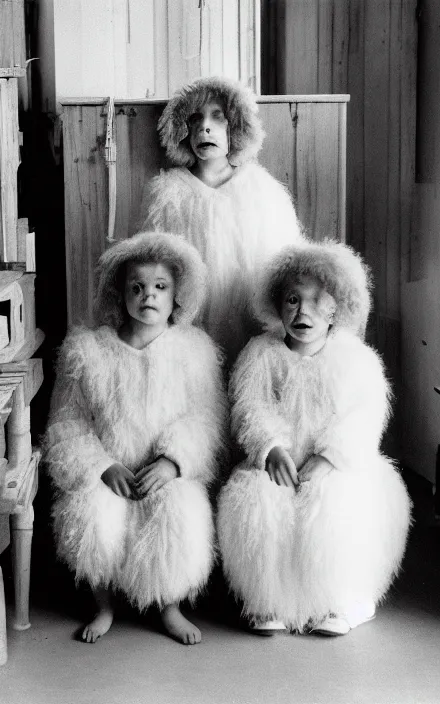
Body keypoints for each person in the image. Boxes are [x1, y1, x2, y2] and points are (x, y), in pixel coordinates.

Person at [217, 240, 412, 636]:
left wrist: (329, 457)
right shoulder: (261, 355)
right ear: (277, 305)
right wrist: (270, 449)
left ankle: (339, 599)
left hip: (336, 465)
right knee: (255, 501)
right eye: (292, 300)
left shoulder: (356, 359)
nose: (302, 311)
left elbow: (365, 415)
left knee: (336, 506)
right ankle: (268, 599)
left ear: (336, 307)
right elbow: (249, 407)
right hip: (280, 463)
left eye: (315, 300)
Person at [45, 232, 227, 645]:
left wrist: (173, 461)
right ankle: (104, 605)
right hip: (112, 471)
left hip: (161, 473)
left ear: (176, 296)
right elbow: (67, 423)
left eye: (160, 287)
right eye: (137, 287)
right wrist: (101, 466)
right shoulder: (89, 351)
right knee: (90, 515)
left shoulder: (195, 352)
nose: (149, 295)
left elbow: (206, 418)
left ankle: (170, 605)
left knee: (180, 512)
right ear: (120, 293)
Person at [140, 76, 304, 364]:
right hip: (190, 333)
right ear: (183, 129)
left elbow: (285, 268)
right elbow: (152, 267)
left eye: (218, 118)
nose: (205, 127)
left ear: (235, 127)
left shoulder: (262, 191)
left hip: (250, 328)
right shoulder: (168, 196)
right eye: (195, 119)